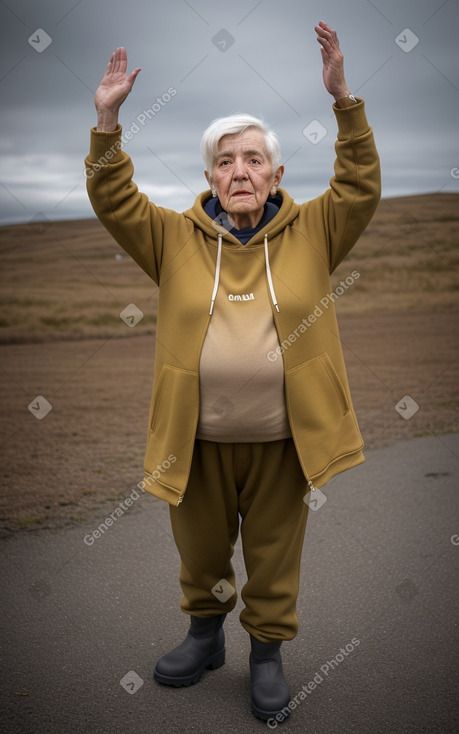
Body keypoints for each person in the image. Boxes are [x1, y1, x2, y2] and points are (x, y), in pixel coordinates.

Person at [85, 20, 380, 722]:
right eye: (225, 160)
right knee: (201, 553)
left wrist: (343, 100)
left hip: (285, 440)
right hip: (197, 439)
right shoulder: (171, 237)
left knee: (275, 556)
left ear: (276, 174)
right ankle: (203, 635)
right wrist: (106, 122)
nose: (240, 171)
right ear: (210, 176)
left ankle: (267, 656)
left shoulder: (317, 229)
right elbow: (112, 198)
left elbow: (360, 184)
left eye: (253, 159)